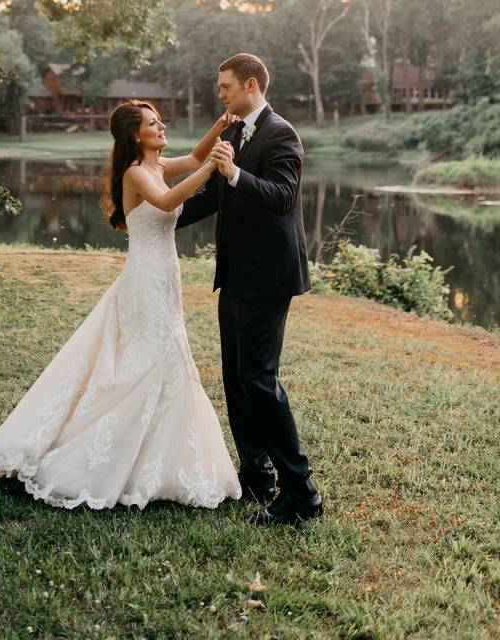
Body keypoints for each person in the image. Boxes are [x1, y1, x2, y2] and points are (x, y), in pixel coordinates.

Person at [0, 101, 242, 510]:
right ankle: (105, 458)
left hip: (164, 275)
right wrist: (212, 167)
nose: (160, 127)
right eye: (152, 124)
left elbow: (191, 156)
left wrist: (219, 127)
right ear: (135, 135)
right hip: (145, 280)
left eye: (159, 121)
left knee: (167, 358)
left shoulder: (155, 165)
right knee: (148, 360)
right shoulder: (137, 173)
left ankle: (159, 461)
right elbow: (168, 200)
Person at [176, 53, 323, 525]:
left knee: (260, 378)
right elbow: (213, 196)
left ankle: (301, 492)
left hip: (269, 277)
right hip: (236, 276)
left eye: (226, 87)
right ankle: (257, 478)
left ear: (251, 84)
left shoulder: (283, 134)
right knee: (237, 380)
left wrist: (235, 173)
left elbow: (281, 198)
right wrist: (162, 217)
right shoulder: (235, 132)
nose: (220, 95)